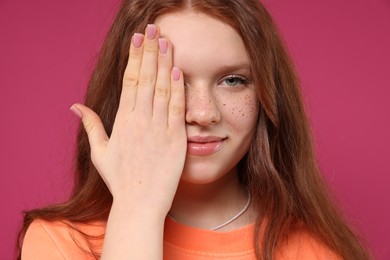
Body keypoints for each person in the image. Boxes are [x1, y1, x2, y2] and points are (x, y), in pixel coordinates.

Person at [18, 0, 370, 259]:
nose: (203, 113)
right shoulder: (59, 244)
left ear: (266, 95)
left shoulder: (317, 252)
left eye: (233, 80)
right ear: (126, 90)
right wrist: (138, 208)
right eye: (171, 82)